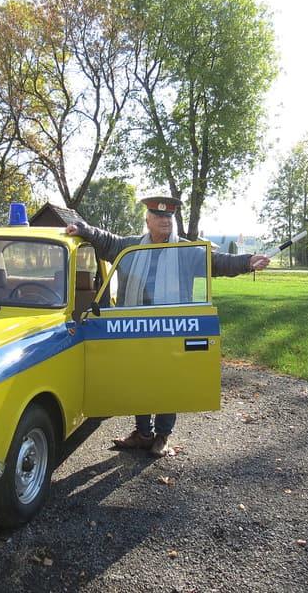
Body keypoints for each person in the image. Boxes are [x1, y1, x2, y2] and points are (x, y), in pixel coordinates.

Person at [66, 196, 269, 457]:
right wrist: (83, 230)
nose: (165, 220)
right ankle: (142, 433)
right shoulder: (128, 247)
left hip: (171, 328)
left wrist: (247, 261)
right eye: (159, 216)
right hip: (135, 327)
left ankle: (162, 436)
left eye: (169, 216)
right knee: (139, 379)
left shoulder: (185, 250)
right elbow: (105, 240)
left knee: (167, 380)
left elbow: (216, 262)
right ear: (148, 220)